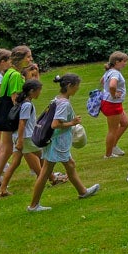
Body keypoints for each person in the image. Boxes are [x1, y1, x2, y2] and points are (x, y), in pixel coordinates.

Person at [28, 73, 100, 212]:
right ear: (69, 86)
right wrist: (72, 123)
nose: (78, 89)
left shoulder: (57, 99)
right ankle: (33, 205)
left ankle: (82, 191)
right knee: (45, 174)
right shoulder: (64, 103)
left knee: (70, 165)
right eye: (77, 86)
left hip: (57, 143)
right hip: (57, 144)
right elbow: (55, 124)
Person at [0, 79, 66, 196]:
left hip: (19, 137)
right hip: (26, 138)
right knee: (45, 156)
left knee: (15, 163)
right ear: (32, 91)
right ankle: (53, 179)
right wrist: (20, 141)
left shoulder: (22, 102)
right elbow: (22, 123)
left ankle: (2, 190)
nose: (40, 93)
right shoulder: (27, 104)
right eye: (39, 90)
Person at [0, 46, 27, 189]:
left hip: (3, 114)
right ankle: (47, 175)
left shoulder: (8, 72)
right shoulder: (14, 75)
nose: (30, 60)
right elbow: (15, 97)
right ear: (20, 59)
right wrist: (23, 116)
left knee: (6, 149)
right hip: (12, 116)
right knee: (19, 149)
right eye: (28, 57)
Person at [101, 51, 128, 158]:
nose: (125, 63)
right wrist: (113, 94)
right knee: (112, 130)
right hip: (112, 104)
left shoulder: (109, 71)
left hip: (111, 103)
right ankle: (108, 154)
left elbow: (102, 81)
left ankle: (113, 146)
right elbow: (112, 85)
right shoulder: (115, 73)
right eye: (124, 61)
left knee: (126, 122)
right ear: (117, 62)